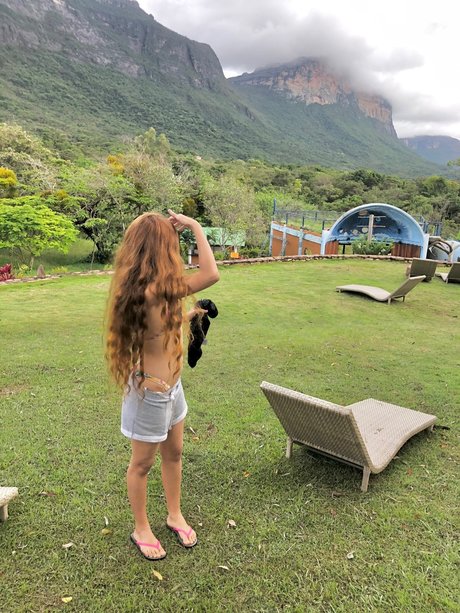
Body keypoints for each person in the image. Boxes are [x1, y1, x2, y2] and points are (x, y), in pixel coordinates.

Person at [106, 209, 219, 561]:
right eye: (170, 242)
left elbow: (161, 327)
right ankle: (141, 528)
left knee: (174, 454)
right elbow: (211, 273)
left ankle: (174, 514)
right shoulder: (153, 289)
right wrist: (195, 226)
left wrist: (191, 315)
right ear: (160, 249)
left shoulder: (150, 287)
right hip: (151, 394)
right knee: (141, 464)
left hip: (172, 389)